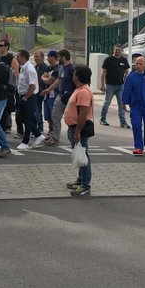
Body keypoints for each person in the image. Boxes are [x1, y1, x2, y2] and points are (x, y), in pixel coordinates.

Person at [64, 65, 94, 198]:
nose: (73, 75)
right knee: (80, 155)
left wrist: (77, 132)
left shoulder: (84, 92)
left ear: (78, 76)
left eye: (74, 73)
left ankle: (85, 186)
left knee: (83, 157)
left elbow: (83, 113)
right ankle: (80, 180)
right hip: (73, 127)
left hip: (79, 128)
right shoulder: (79, 89)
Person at [41, 49, 76, 146]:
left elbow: (77, 82)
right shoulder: (61, 68)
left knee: (71, 119)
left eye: (59, 57)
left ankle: (75, 137)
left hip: (70, 97)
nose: (57, 59)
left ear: (63, 57)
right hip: (60, 96)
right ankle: (55, 137)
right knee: (55, 116)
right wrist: (48, 90)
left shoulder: (72, 68)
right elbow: (58, 80)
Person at [15, 49, 44, 150]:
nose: (16, 58)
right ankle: (38, 135)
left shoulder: (29, 69)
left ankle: (25, 141)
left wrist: (26, 97)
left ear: (23, 57)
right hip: (23, 95)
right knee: (25, 118)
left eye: (18, 56)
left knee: (27, 119)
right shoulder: (23, 67)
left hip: (29, 97)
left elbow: (33, 85)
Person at [99, 44, 130, 127]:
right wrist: (102, 85)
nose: (118, 51)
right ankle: (102, 119)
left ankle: (123, 122)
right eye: (116, 50)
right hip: (110, 85)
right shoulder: (108, 60)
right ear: (113, 50)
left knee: (121, 103)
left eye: (119, 50)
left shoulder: (124, 60)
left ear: (121, 51)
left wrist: (126, 82)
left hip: (120, 86)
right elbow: (103, 73)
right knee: (107, 102)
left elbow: (127, 72)